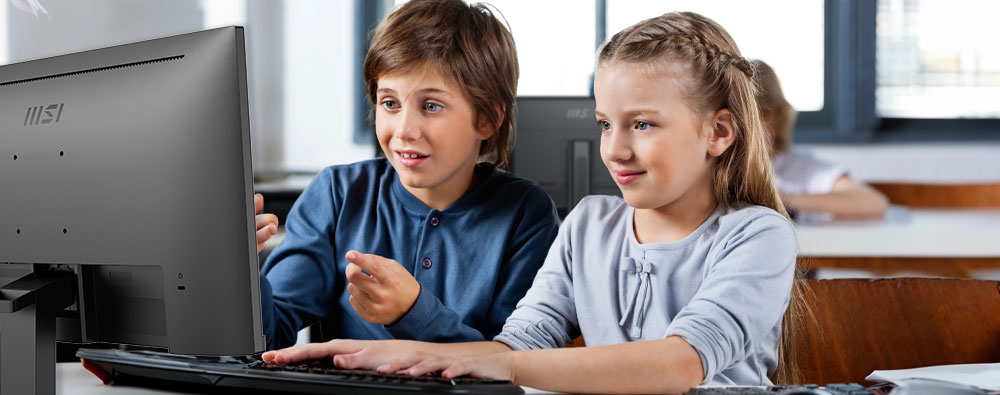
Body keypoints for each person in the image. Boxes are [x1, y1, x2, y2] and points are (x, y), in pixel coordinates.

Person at [263, 12, 800, 394]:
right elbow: (516, 347)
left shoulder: (758, 234)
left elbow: (681, 364)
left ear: (719, 132)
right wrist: (398, 353)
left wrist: (432, 346)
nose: (614, 148)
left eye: (643, 124)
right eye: (605, 125)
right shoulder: (589, 223)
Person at [252, 0, 560, 351]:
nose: (404, 130)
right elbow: (267, 338)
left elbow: (513, 359)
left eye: (431, 106)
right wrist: (240, 270)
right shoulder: (337, 194)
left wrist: (413, 311)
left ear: (488, 118)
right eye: (390, 103)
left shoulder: (525, 214)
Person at [754, 59, 889, 220]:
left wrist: (779, 201)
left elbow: (873, 202)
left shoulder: (798, 168)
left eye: (758, 120)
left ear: (776, 121)